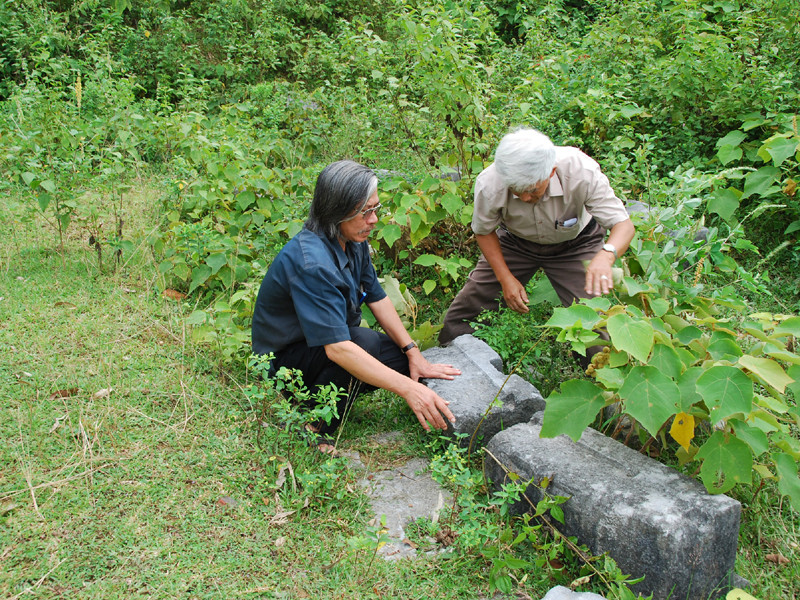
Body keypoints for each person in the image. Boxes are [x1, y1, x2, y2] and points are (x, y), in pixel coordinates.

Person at [252, 160, 460, 453]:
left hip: (326, 343)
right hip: (288, 362)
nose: (374, 220)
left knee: (401, 362)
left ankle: (343, 390)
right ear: (336, 212)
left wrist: (413, 352)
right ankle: (314, 424)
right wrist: (407, 390)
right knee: (361, 345)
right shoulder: (313, 263)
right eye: (366, 212)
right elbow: (337, 348)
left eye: (375, 209)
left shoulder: (352, 238)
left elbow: (376, 295)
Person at [439, 128, 635, 360]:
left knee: (593, 318)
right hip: (515, 243)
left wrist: (606, 255)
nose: (524, 198)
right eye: (516, 191)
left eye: (532, 190)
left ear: (551, 172)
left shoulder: (581, 171)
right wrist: (505, 278)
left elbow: (624, 225)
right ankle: (445, 359)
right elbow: (484, 231)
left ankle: (603, 381)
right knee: (470, 302)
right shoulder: (491, 183)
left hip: (577, 244)